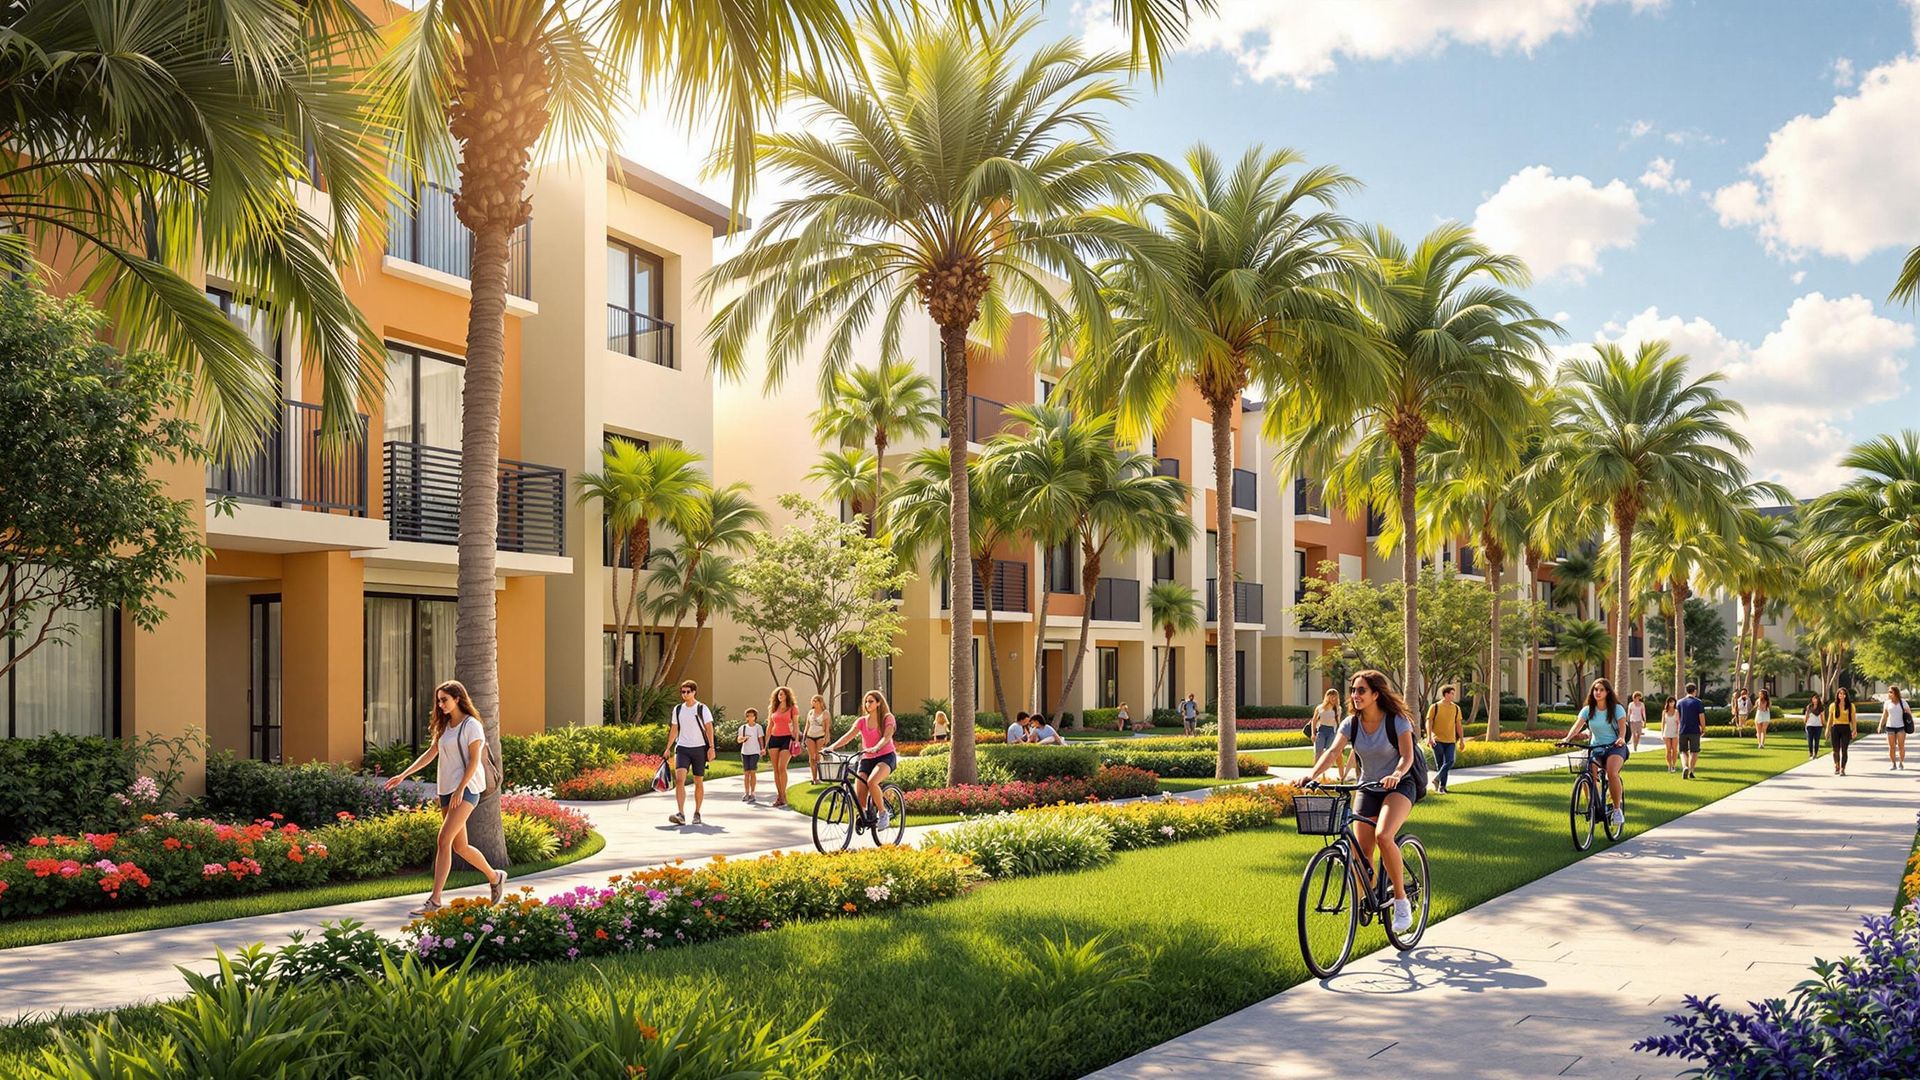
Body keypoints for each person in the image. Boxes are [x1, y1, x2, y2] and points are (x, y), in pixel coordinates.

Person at [1303, 669, 1420, 935]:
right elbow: (1333, 752)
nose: (1355, 695)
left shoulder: (1397, 720)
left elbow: (1406, 756)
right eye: (1353, 690)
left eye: (1361, 690)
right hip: (1367, 786)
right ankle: (1371, 897)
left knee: (1384, 836)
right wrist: (1312, 775)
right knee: (1360, 854)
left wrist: (1396, 774)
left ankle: (1401, 901)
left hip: (1399, 785)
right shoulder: (1351, 724)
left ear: (1376, 694)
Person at [384, 680, 507, 916]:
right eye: (438, 700)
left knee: (443, 840)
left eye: (444, 700)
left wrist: (461, 788)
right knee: (460, 846)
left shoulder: (472, 725)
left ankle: (435, 900)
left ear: (458, 699)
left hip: (467, 789)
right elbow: (431, 754)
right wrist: (403, 775)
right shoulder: (446, 726)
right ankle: (495, 876)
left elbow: (474, 761)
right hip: (446, 790)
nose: (440, 705)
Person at [826, 690, 898, 831]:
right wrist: (832, 747)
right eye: (866, 701)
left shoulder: (887, 718)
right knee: (860, 792)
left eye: (871, 701)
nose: (867, 704)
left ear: (878, 703)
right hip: (867, 758)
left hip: (886, 756)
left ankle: (883, 813)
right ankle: (864, 814)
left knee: (872, 782)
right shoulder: (861, 721)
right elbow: (848, 736)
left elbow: (887, 736)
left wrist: (877, 747)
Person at [1564, 677, 1629, 831]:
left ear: (1607, 692)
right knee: (1587, 774)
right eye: (1595, 689)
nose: (1597, 692)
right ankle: (1592, 805)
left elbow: (1622, 730)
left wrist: (1620, 739)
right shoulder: (1588, 710)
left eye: (1601, 690)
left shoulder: (1617, 709)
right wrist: (1567, 738)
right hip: (1596, 748)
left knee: (1612, 773)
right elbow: (1577, 726)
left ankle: (1617, 809)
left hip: (1615, 747)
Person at [667, 680, 717, 826]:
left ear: (694, 692)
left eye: (688, 691)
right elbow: (674, 729)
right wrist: (668, 747)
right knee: (680, 780)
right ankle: (681, 814)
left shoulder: (702, 708)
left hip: (699, 749)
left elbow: (709, 728)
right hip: (682, 748)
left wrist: (711, 747)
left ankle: (697, 812)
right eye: (683, 692)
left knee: (698, 781)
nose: (685, 694)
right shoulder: (678, 709)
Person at [1424, 684, 1463, 795]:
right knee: (1440, 764)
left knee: (1450, 761)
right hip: (1437, 740)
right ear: (1446, 694)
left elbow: (1458, 725)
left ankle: (1436, 779)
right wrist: (1429, 737)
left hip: (1451, 740)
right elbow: (1429, 722)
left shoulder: (1456, 708)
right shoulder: (1435, 707)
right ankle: (1442, 787)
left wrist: (1462, 740)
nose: (1453, 696)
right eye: (1451, 693)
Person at [766, 687, 798, 809]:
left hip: (787, 739)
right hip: (774, 739)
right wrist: (765, 744)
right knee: (775, 769)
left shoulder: (792, 708)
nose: (780, 696)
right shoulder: (773, 708)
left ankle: (783, 795)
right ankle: (780, 796)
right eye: (779, 694)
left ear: (787, 695)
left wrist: (796, 740)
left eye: (783, 694)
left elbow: (795, 725)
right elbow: (770, 726)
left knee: (781, 767)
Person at [1312, 688, 1348, 783]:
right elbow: (1314, 721)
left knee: (1333, 754)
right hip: (1321, 731)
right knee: (1318, 754)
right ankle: (1315, 778)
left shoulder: (1338, 709)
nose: (1333, 698)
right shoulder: (1320, 708)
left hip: (1332, 731)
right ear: (1327, 697)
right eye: (1330, 695)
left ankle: (1342, 777)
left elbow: (1338, 723)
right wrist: (1313, 733)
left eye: (1334, 696)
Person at [1676, 683, 1707, 780]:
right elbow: (1701, 717)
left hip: (1683, 730)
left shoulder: (1679, 703)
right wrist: (1703, 728)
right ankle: (1691, 770)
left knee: (1683, 751)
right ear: (1695, 691)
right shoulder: (1698, 702)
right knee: (1694, 751)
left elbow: (1678, 718)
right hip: (1694, 730)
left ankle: (1685, 766)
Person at [1825, 686, 1857, 777]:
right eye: (1840, 693)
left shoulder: (1851, 706)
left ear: (1846, 695)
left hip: (1845, 728)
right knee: (1835, 750)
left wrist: (1854, 729)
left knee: (1844, 750)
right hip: (1835, 728)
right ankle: (1837, 766)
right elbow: (1830, 720)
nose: (1842, 695)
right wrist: (1827, 730)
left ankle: (1843, 768)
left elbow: (1854, 720)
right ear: (1837, 695)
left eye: (1843, 694)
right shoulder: (1832, 706)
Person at [737, 707, 765, 805]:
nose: (750, 717)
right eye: (748, 715)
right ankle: (746, 793)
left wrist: (762, 749)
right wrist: (743, 739)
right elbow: (739, 740)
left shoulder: (758, 727)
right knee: (746, 773)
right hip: (745, 752)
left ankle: (752, 793)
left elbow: (760, 738)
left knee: (752, 772)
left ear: (755, 717)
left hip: (755, 751)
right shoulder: (742, 728)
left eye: (752, 715)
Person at [804, 694, 832, 784]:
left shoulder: (825, 713)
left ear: (820, 702)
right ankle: (814, 778)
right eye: (812, 700)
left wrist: (827, 737)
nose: (813, 702)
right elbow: (807, 726)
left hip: (820, 736)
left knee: (818, 757)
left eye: (815, 700)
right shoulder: (810, 712)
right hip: (810, 736)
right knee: (811, 758)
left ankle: (820, 777)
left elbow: (827, 727)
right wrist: (804, 737)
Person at [1884, 687, 1912, 771]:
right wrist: (1880, 725)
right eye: (1888, 692)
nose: (1889, 693)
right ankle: (1893, 764)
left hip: (1901, 727)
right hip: (1890, 727)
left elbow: (1909, 714)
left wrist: (1910, 722)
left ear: (1896, 693)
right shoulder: (1887, 703)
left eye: (1891, 692)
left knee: (1901, 746)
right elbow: (1885, 715)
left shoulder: (1903, 702)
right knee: (1891, 747)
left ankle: (1901, 763)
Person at [1660, 696, 1682, 773]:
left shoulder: (1676, 712)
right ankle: (1669, 765)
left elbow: (1678, 722)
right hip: (1667, 732)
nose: (1671, 703)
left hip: (1675, 732)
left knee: (1674, 750)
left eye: (1673, 702)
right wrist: (1662, 732)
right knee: (1668, 750)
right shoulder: (1664, 712)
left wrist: (1678, 731)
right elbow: (1663, 723)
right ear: (1668, 703)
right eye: (1670, 702)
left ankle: (1673, 765)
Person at [1803, 692, 1826, 759]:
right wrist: (1805, 722)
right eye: (1813, 698)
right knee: (1810, 740)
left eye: (1816, 699)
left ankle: (1815, 754)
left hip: (1818, 726)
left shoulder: (1821, 708)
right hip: (1810, 725)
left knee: (1817, 740)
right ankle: (1810, 753)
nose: (1814, 700)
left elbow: (1822, 718)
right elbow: (1806, 715)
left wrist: (1824, 725)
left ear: (1818, 700)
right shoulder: (1809, 707)